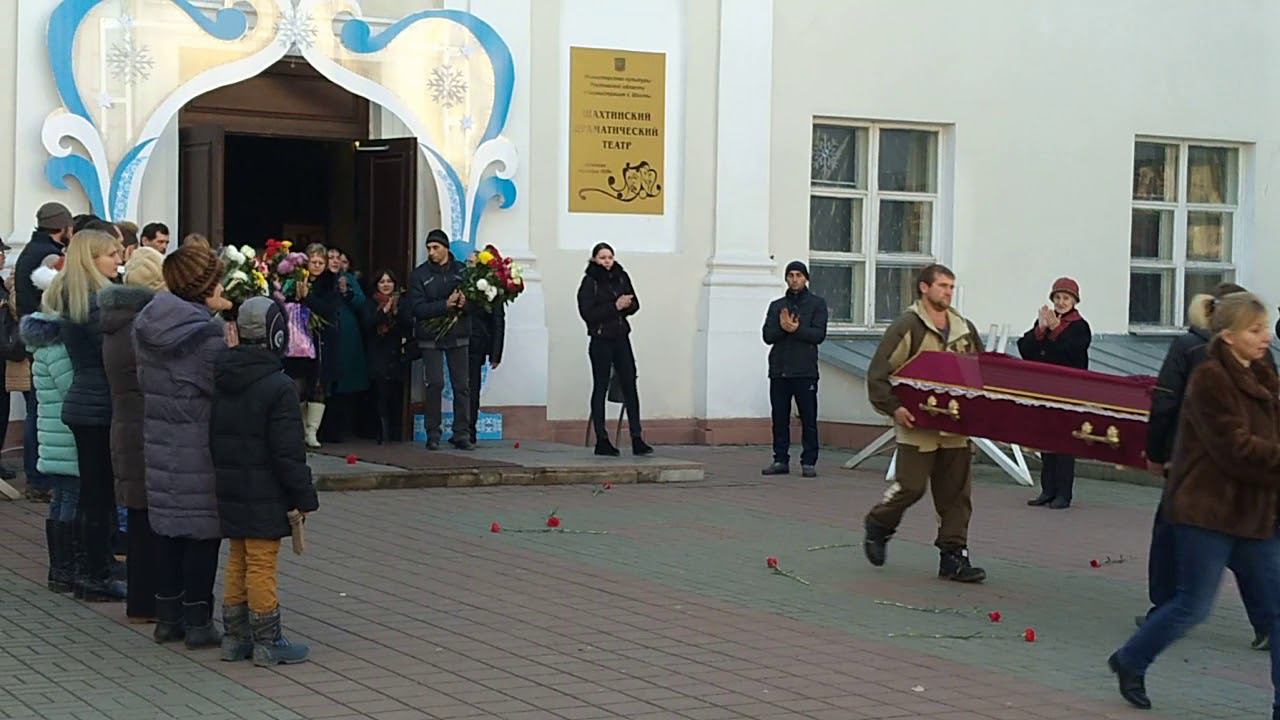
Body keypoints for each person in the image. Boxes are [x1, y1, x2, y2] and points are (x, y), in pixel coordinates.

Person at [1108, 292, 1280, 715]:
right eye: (1255, 330)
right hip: (1207, 511)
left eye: (1266, 328)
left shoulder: (1264, 372)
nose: (1266, 337)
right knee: (1193, 605)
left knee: (1277, 612)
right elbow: (1235, 448)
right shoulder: (1209, 379)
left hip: (1255, 514)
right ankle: (1131, 659)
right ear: (1228, 336)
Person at [1140, 282, 1271, 648]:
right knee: (1241, 560)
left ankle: (1160, 614)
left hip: (1202, 473)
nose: (1265, 336)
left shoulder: (1193, 348)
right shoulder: (1234, 363)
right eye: (1256, 327)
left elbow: (1165, 403)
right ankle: (1264, 621)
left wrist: (1156, 453)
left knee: (1172, 541)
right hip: (1232, 477)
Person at [862, 264, 987, 583]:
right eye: (942, 285)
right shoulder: (908, 326)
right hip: (917, 426)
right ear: (924, 287)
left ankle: (953, 557)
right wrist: (895, 408)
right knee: (911, 487)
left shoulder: (963, 328)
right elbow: (878, 374)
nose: (948, 292)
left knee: (956, 496)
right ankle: (879, 524)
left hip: (956, 428)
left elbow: (982, 371)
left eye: (951, 287)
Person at [212, 296, 319, 666]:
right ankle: (268, 639)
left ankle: (234, 636)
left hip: (231, 485)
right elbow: (288, 452)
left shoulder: (223, 377)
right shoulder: (278, 386)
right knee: (261, 562)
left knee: (237, 558)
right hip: (265, 490)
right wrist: (304, 496)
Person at [133, 244, 231, 648]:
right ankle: (198, 621)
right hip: (199, 445)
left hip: (159, 439)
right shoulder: (205, 336)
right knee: (202, 533)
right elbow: (221, 390)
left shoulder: (148, 323)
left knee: (169, 529)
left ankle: (168, 617)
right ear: (203, 286)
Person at [46, 229, 124, 602]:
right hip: (98, 406)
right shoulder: (96, 305)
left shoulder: (77, 298)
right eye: (111, 254)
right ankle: (95, 573)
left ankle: (90, 568)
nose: (118, 260)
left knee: (94, 493)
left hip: (87, 404)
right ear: (92, 260)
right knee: (97, 495)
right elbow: (113, 357)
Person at [99, 247, 166, 622]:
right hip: (145, 425)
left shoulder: (115, 321)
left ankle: (140, 602)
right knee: (149, 518)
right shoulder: (141, 326)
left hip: (125, 423)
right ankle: (149, 600)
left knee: (139, 513)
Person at [20, 291, 81, 594]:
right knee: (69, 498)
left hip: (53, 433)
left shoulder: (44, 345)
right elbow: (70, 387)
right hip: (65, 436)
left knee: (61, 499)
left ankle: (60, 568)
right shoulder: (58, 348)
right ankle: (64, 568)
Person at [15, 201, 74, 503]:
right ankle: (39, 479)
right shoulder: (49, 256)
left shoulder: (30, 250)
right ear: (62, 227)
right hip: (47, 337)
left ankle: (37, 478)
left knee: (37, 409)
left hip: (34, 335)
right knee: (41, 411)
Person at [1017, 277, 1092, 509]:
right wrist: (1039, 330)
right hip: (1045, 389)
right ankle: (1047, 490)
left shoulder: (1080, 327)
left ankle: (1063, 494)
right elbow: (1026, 350)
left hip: (1068, 392)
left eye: (1066, 298)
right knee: (1046, 439)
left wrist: (1056, 330)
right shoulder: (1045, 322)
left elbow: (1072, 353)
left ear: (1074, 301)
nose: (1061, 302)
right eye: (1057, 297)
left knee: (1064, 443)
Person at [576, 242, 652, 457]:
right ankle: (601, 439)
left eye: (610, 257)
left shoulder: (621, 276)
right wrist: (615, 306)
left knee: (629, 383)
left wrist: (628, 305)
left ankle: (637, 437)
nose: (607, 261)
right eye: (602, 258)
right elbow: (588, 313)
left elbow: (635, 304)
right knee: (601, 386)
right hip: (601, 339)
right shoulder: (590, 282)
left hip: (621, 337)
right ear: (594, 259)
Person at [402, 230, 473, 451]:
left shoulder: (462, 271)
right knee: (435, 384)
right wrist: (445, 305)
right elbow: (418, 308)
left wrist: (464, 303)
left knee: (462, 386)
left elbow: (476, 304)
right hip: (430, 338)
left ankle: (461, 433)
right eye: (429, 248)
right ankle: (433, 433)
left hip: (458, 335)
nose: (431, 252)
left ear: (446, 248)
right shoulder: (419, 275)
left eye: (436, 248)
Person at [761, 261, 828, 477]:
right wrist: (784, 328)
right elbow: (767, 336)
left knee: (808, 418)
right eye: (791, 275)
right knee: (779, 418)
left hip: (805, 370)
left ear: (806, 278)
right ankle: (780, 459)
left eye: (799, 275)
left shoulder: (817, 304)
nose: (795, 279)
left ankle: (809, 461)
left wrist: (796, 329)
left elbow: (818, 335)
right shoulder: (777, 306)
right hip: (779, 370)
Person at [282, 244, 341, 448]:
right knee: (297, 384)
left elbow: (328, 310)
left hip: (320, 340)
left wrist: (308, 297)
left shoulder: (330, 284)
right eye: (313, 262)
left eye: (320, 263)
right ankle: (300, 428)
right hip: (297, 339)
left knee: (318, 384)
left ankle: (312, 430)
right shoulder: (294, 279)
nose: (316, 266)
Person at [319, 246, 367, 443]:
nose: (334, 260)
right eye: (330, 257)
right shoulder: (320, 279)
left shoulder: (348, 279)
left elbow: (361, 302)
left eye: (337, 257)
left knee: (344, 385)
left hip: (346, 338)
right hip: (325, 335)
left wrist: (346, 291)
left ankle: (339, 430)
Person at [363, 270, 409, 444]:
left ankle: (396, 432)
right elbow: (367, 324)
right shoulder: (370, 303)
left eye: (389, 281)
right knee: (379, 393)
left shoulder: (402, 302)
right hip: (377, 352)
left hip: (396, 353)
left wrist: (395, 312)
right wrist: (383, 311)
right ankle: (381, 433)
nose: (386, 285)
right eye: (382, 282)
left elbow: (409, 324)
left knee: (395, 393)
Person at [468, 263, 505, 446]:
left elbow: (498, 321)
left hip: (477, 343)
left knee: (472, 388)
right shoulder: (460, 282)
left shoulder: (491, 287)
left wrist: (495, 353)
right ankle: (460, 429)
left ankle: (469, 430)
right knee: (461, 388)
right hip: (457, 340)